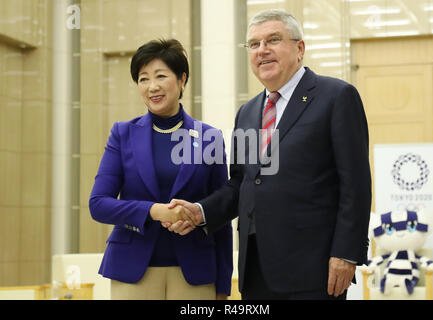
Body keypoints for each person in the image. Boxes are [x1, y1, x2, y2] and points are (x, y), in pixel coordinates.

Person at [166, 9, 372, 300]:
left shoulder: (336, 97)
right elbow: (241, 184)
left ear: (299, 48)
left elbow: (356, 185)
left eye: (273, 40)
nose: (262, 51)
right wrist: (201, 211)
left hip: (315, 270)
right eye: (253, 44)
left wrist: (346, 253)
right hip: (256, 270)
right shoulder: (247, 113)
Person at [89, 39, 233, 300]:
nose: (151, 86)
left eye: (160, 76)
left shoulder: (209, 137)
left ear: (181, 80)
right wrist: (153, 211)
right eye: (143, 79)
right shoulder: (122, 134)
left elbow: (221, 212)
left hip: (195, 273)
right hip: (132, 272)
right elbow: (98, 204)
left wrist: (223, 286)